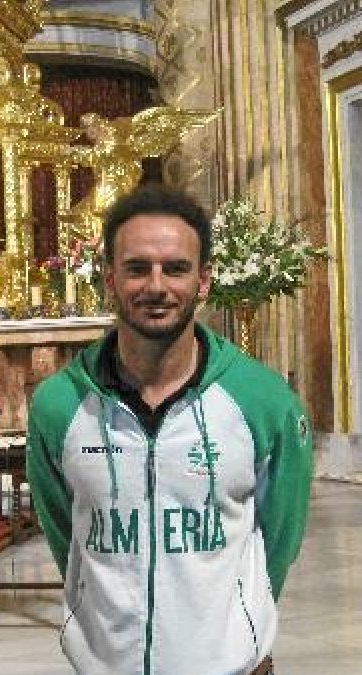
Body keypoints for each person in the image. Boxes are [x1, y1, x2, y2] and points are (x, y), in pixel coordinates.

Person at [27, 185, 314, 675]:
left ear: (204, 281)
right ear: (109, 279)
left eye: (175, 268)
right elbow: (64, 530)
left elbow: (279, 535)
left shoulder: (263, 402)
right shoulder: (58, 405)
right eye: (137, 268)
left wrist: (238, 633)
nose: (156, 286)